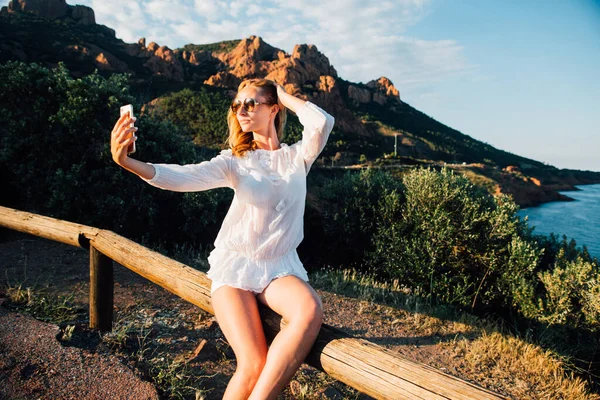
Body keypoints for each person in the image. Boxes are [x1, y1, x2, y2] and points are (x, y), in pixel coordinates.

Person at [110, 78, 335, 399]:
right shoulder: (234, 160)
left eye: (251, 103)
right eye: (236, 105)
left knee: (309, 309)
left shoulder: (298, 157)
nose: (241, 110)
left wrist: (282, 93)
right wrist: (128, 162)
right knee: (252, 363)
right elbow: (184, 176)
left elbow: (322, 122)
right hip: (236, 268)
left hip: (280, 266)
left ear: (274, 109)